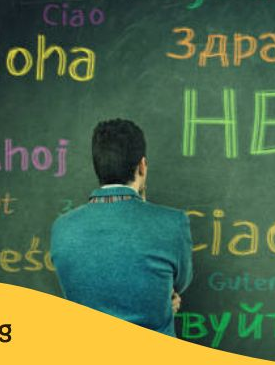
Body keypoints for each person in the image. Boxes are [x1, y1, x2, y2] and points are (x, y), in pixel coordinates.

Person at [50, 119, 193, 337]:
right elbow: (178, 283)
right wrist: (161, 303)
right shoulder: (172, 223)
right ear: (142, 166)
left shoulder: (63, 227)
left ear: (98, 166)